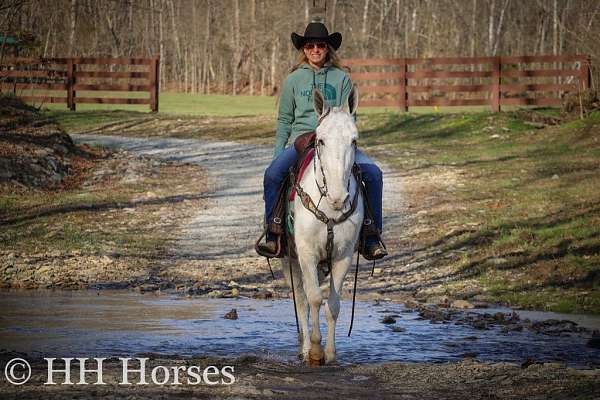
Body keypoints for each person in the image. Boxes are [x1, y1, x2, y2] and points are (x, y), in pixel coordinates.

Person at [256, 20, 387, 260]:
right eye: (309, 46)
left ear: (328, 48)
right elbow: (285, 119)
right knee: (273, 175)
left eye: (320, 45)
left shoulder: (341, 78)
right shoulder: (293, 80)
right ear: (303, 50)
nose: (315, 50)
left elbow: (350, 118)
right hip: (301, 140)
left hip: (337, 141)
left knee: (374, 174)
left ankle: (371, 235)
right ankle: (273, 232)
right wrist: (277, 152)